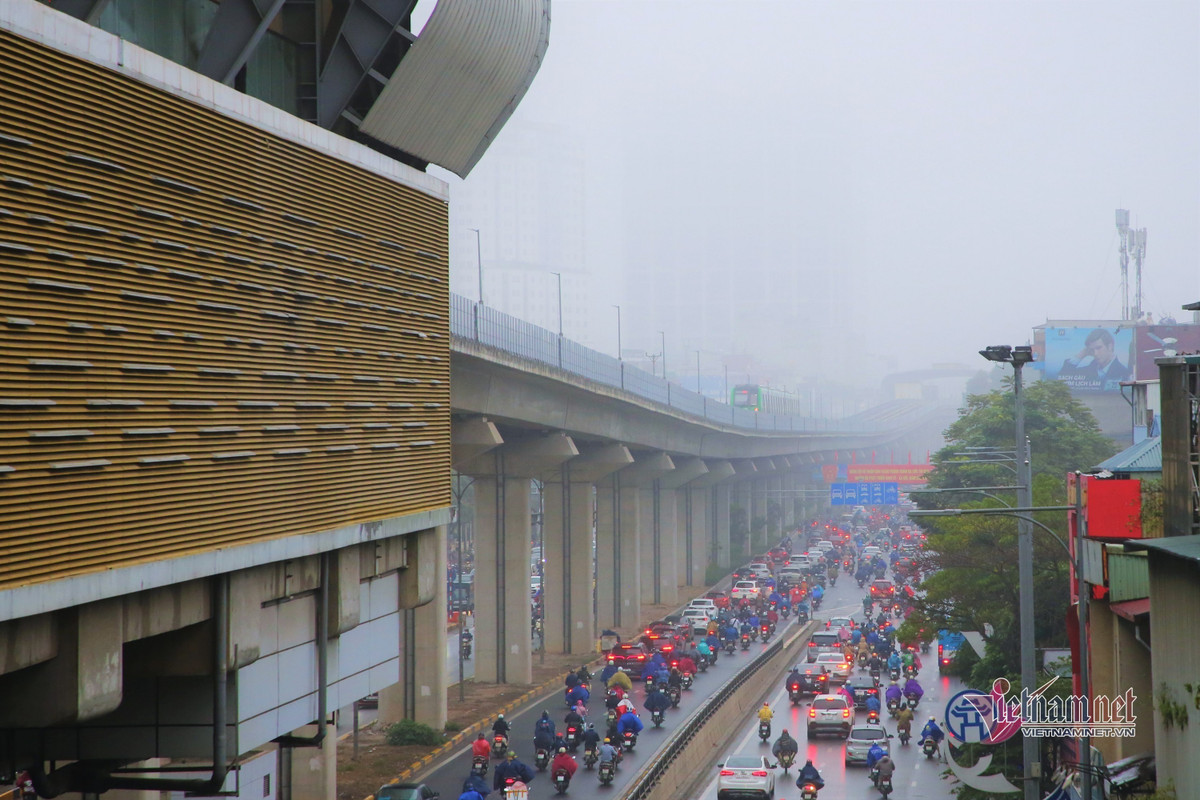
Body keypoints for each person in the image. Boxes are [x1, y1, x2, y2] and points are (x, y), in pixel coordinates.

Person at [1060, 328, 1131, 384]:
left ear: (1110, 346)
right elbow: (1062, 379)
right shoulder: (1089, 370)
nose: (1095, 353)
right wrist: (1081, 354)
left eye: (1099, 348)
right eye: (1092, 350)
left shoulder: (1124, 373)